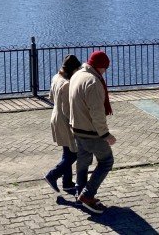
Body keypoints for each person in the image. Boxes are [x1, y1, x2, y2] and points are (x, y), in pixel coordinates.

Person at [69, 51, 115, 214]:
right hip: (91, 132)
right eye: (105, 68)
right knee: (106, 161)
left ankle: (79, 192)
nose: (105, 72)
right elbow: (97, 112)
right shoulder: (93, 82)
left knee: (83, 162)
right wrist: (105, 134)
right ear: (100, 66)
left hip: (77, 128)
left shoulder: (77, 75)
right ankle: (87, 195)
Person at [44, 55, 82, 195]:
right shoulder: (66, 84)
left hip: (55, 116)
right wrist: (74, 124)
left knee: (67, 151)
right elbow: (67, 109)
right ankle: (52, 175)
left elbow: (51, 97)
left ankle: (67, 183)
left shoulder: (56, 78)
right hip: (64, 121)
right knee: (73, 154)